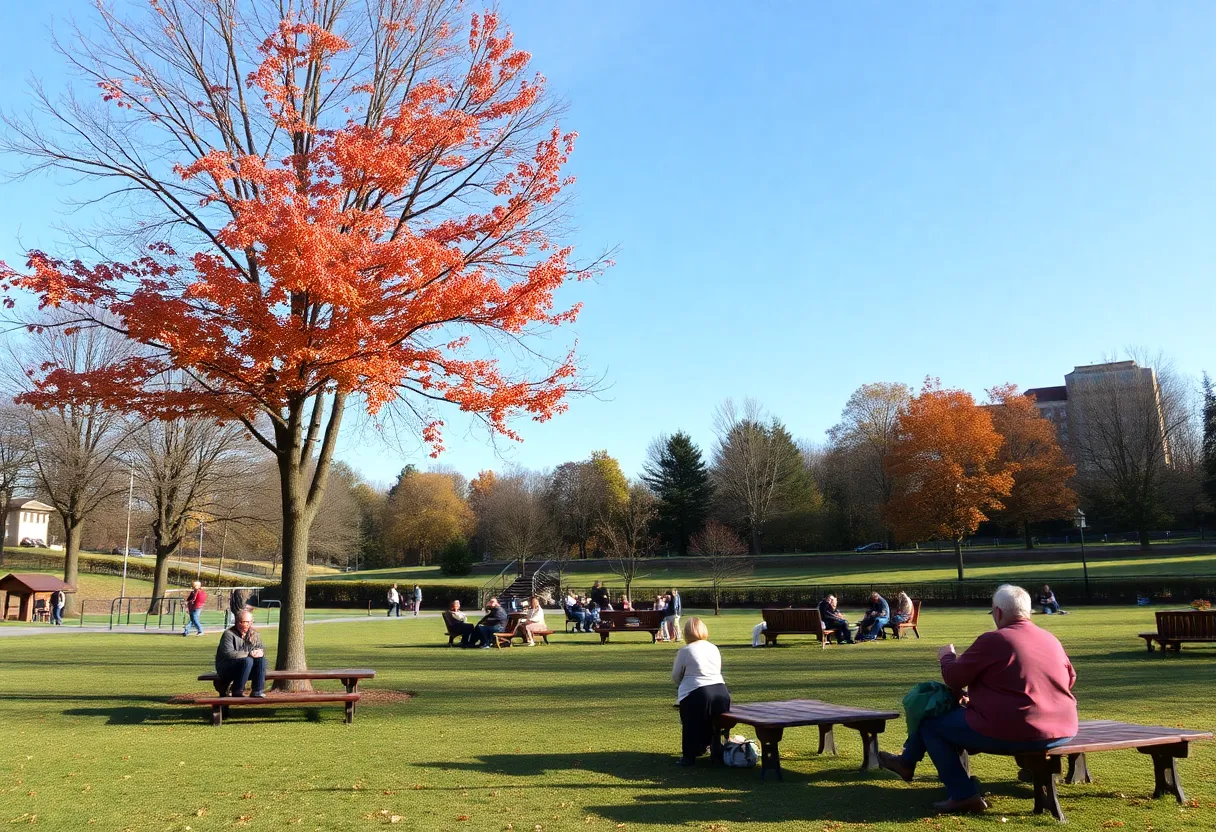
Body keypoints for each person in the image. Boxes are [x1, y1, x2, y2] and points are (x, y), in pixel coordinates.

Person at [879, 585, 1078, 814]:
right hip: (1063, 729)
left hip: (1017, 729)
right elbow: (1069, 679)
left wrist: (947, 657)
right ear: (1028, 612)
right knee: (949, 720)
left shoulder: (995, 639)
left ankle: (962, 794)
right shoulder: (1050, 639)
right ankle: (906, 762)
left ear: (998, 613)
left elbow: (954, 678)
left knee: (931, 725)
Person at [671, 617, 731, 766]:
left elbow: (675, 675)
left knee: (690, 722)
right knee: (714, 722)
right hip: (721, 692)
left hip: (699, 691)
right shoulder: (713, 647)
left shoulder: (685, 650)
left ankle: (689, 756)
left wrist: (683, 686)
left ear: (686, 633)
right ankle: (712, 747)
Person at [214, 610, 267, 698]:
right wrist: (249, 654)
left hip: (247, 668)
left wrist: (260, 652)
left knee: (261, 660)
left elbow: (259, 648)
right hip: (227, 668)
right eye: (245, 622)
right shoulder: (228, 634)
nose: (248, 624)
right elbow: (229, 654)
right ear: (238, 622)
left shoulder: (255, 634)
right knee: (248, 660)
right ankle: (237, 690)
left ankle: (257, 691)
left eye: (250, 622)